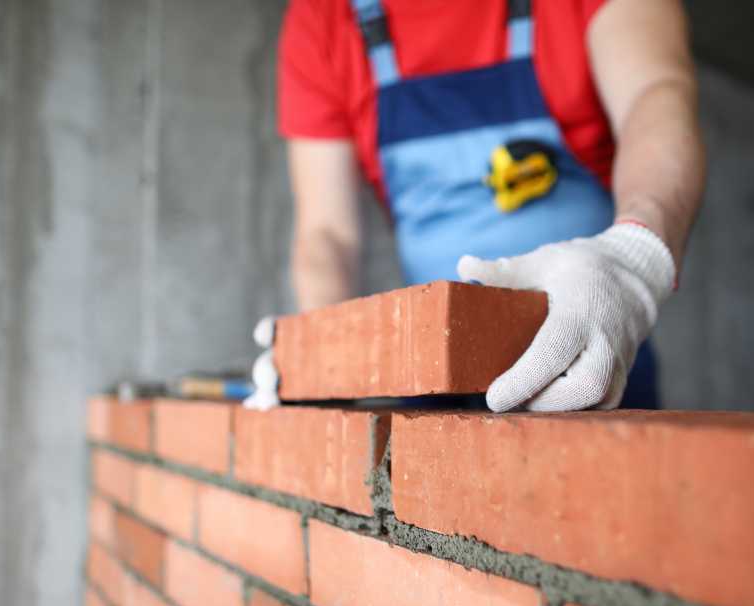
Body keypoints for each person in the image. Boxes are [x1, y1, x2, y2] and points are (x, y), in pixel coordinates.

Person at [247, 0, 705, 413]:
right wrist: (324, 355)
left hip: (594, 347)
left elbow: (656, 95)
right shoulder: (324, 16)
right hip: (429, 381)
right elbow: (328, 235)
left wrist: (635, 254)